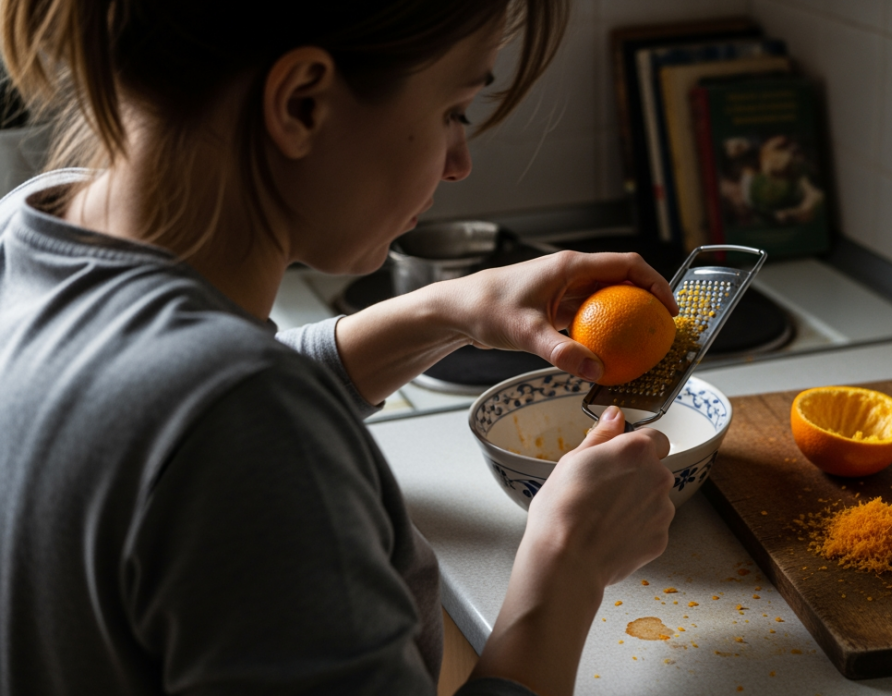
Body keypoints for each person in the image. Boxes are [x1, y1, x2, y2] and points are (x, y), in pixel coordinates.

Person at [0, 1, 679, 695]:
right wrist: (565, 567)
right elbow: (223, 422)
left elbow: (169, 404)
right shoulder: (242, 429)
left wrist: (446, 311)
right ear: (301, 104)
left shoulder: (28, 231)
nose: (459, 163)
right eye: (456, 110)